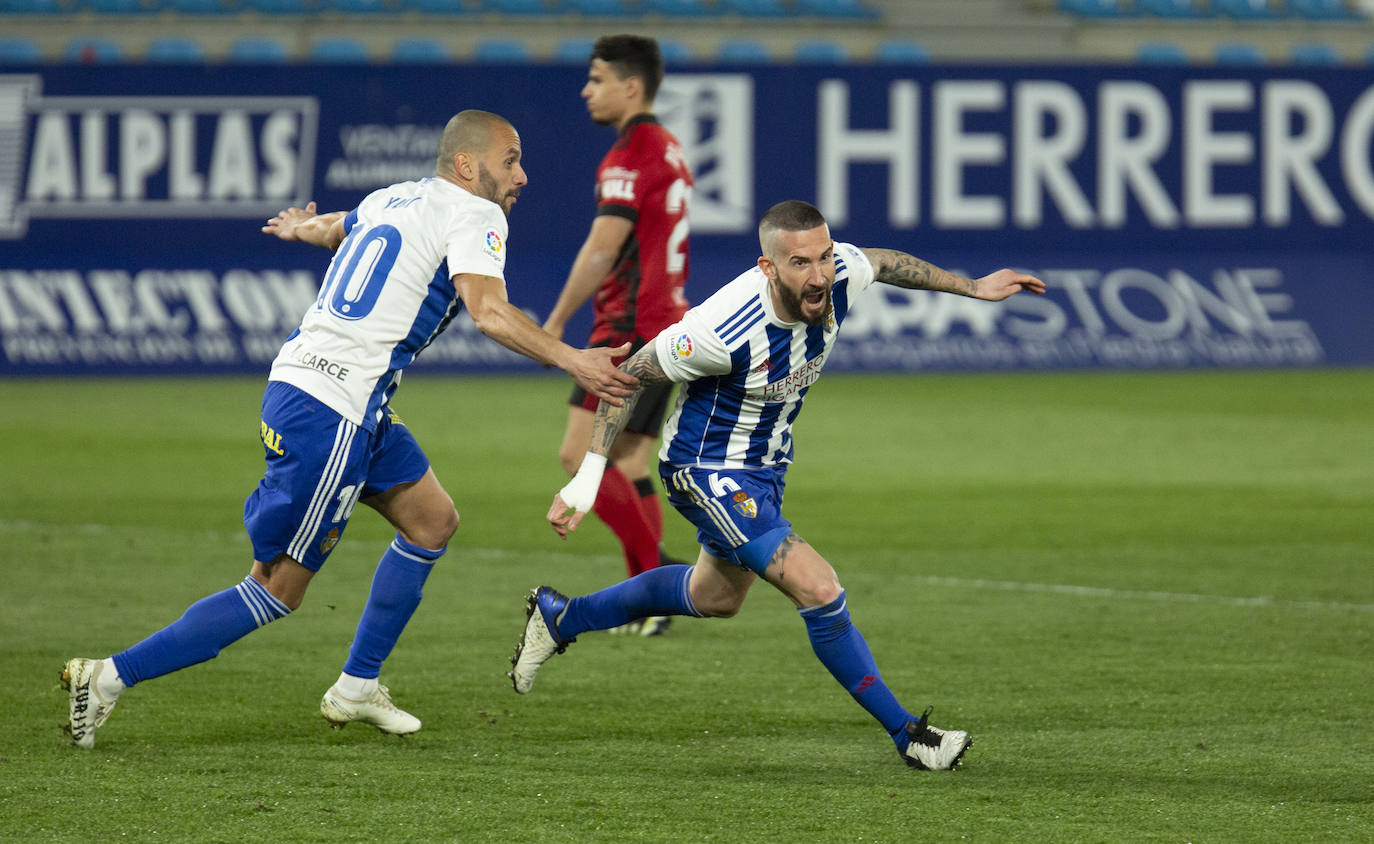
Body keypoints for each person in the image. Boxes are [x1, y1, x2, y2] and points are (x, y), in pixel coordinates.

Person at [59, 109, 638, 750]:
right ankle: (109, 676)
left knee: (432, 520)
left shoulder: (394, 196)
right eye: (510, 160)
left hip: (326, 396)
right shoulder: (477, 214)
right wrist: (574, 359)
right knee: (275, 589)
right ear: (468, 166)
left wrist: (300, 226)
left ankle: (357, 687)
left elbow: (338, 227)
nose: (522, 175)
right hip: (334, 411)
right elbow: (490, 311)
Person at [509, 200, 1046, 769]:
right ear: (768, 269)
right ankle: (909, 735)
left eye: (824, 258)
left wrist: (973, 287)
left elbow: (886, 263)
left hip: (766, 468)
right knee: (818, 586)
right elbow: (631, 375)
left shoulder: (837, 275)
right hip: (704, 469)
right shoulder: (719, 330)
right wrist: (590, 475)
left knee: (713, 597)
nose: (818, 275)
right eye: (799, 264)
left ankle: (561, 617)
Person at [541, 35, 694, 634]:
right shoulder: (671, 148)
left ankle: (653, 585)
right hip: (669, 327)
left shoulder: (629, 157)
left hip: (631, 332)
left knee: (579, 456)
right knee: (628, 461)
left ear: (631, 86)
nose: (586, 89)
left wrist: (554, 326)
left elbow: (603, 249)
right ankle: (652, 593)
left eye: (597, 79)